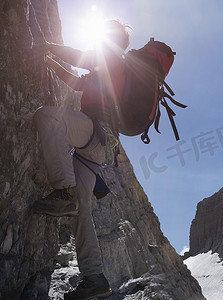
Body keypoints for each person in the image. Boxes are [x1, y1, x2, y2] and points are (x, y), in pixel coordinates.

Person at [32, 19, 131, 300]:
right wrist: (53, 65)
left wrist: (49, 47)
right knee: (81, 212)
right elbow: (78, 81)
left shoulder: (112, 61)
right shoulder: (109, 70)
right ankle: (95, 278)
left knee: (47, 116)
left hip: (95, 133)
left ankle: (63, 190)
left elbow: (81, 57)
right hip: (97, 149)